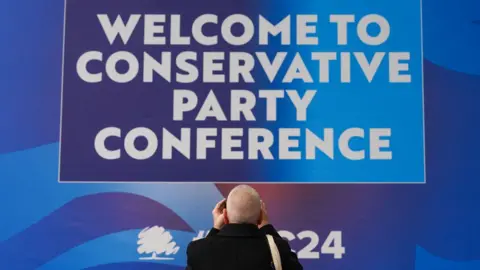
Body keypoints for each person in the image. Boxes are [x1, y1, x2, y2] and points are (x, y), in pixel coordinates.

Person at [185, 185, 303, 270]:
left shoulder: (197, 250)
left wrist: (215, 228)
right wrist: (267, 227)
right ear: (260, 216)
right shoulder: (278, 249)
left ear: (225, 216)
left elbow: (203, 255)